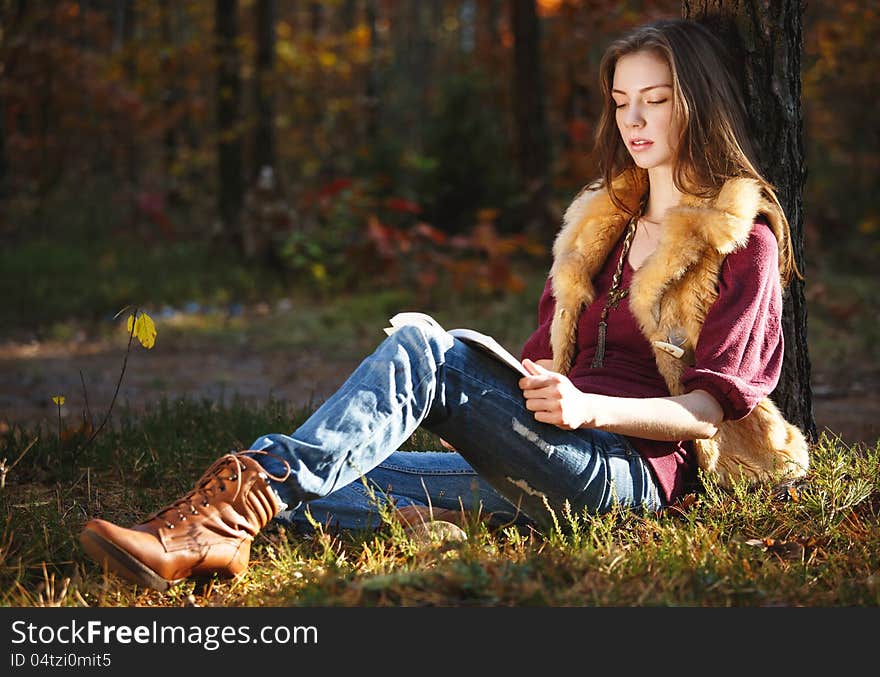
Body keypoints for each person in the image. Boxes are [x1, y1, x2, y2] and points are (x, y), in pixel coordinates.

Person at [79, 17, 805, 592]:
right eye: (621, 103)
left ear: (698, 105)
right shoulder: (596, 231)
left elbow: (711, 410)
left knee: (426, 346)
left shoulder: (741, 244)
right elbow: (537, 363)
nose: (634, 121)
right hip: (547, 460)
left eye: (656, 101)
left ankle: (217, 520)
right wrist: (507, 402)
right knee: (328, 471)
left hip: (627, 474)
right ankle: (221, 540)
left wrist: (589, 410)